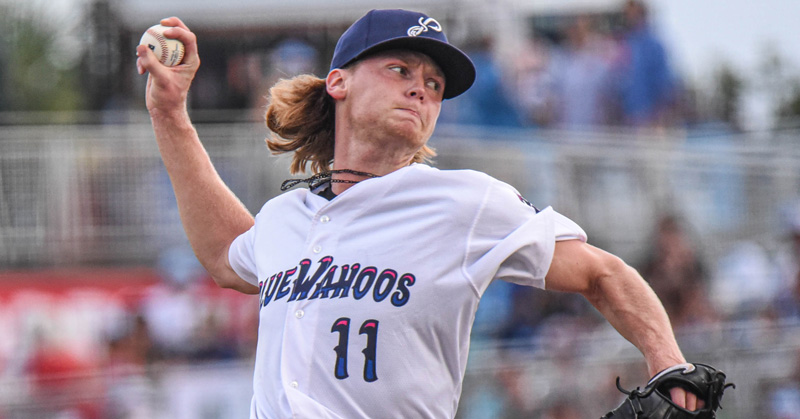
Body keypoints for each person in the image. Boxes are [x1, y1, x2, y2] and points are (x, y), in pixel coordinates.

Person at [136, 9, 701, 418]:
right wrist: (170, 114)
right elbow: (225, 254)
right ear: (339, 81)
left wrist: (669, 363)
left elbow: (603, 273)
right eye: (400, 70)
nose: (421, 91)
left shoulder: (465, 202)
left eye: (434, 84)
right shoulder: (286, 216)